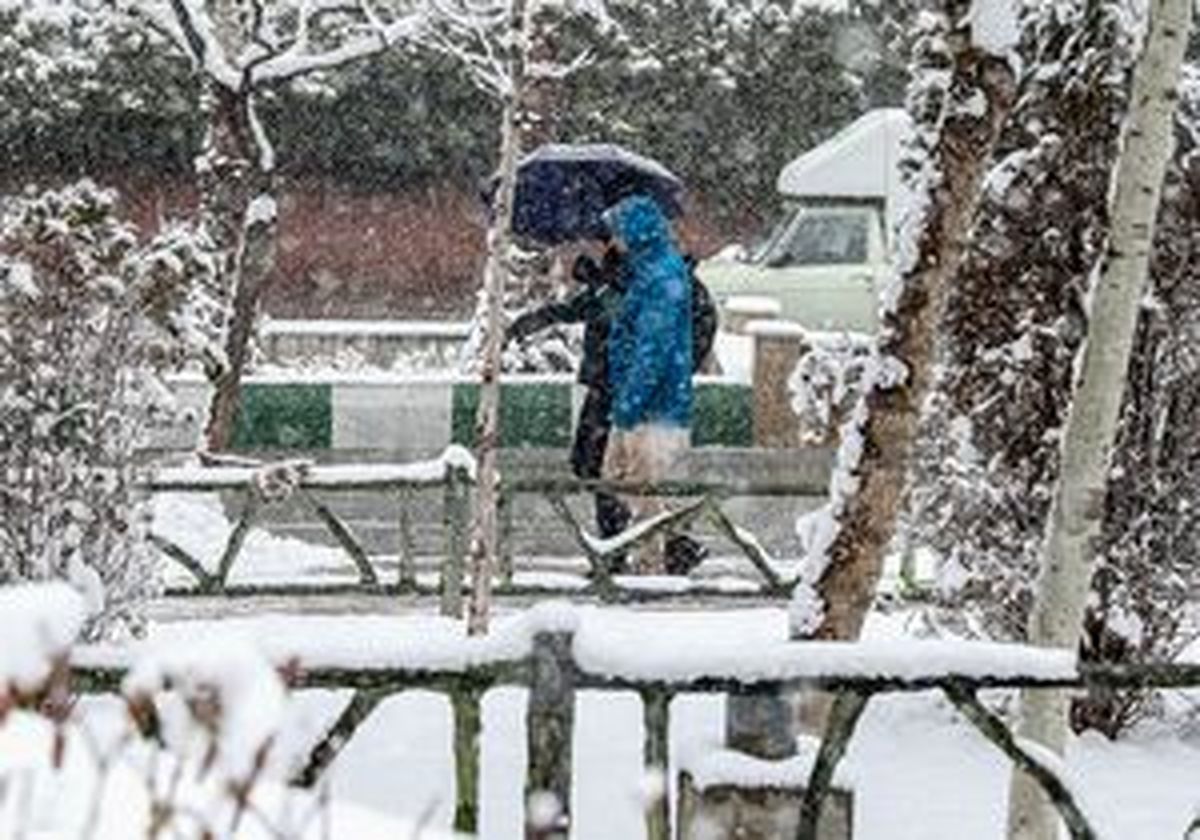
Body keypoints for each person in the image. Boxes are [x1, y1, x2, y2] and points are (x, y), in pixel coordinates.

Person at [505, 240, 633, 570]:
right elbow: (581, 308)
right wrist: (531, 321)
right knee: (594, 468)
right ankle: (619, 544)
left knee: (608, 470)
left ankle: (621, 548)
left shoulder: (640, 272)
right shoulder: (617, 266)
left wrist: (602, 289)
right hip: (606, 386)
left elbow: (615, 312)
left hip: (622, 388)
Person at [601, 194, 695, 575]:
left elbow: (652, 349)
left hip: (654, 408)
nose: (614, 240)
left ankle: (655, 563)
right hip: (647, 402)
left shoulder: (660, 277)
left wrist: (629, 405)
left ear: (634, 232)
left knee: (636, 484)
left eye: (618, 231)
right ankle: (669, 547)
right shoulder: (651, 271)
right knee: (625, 481)